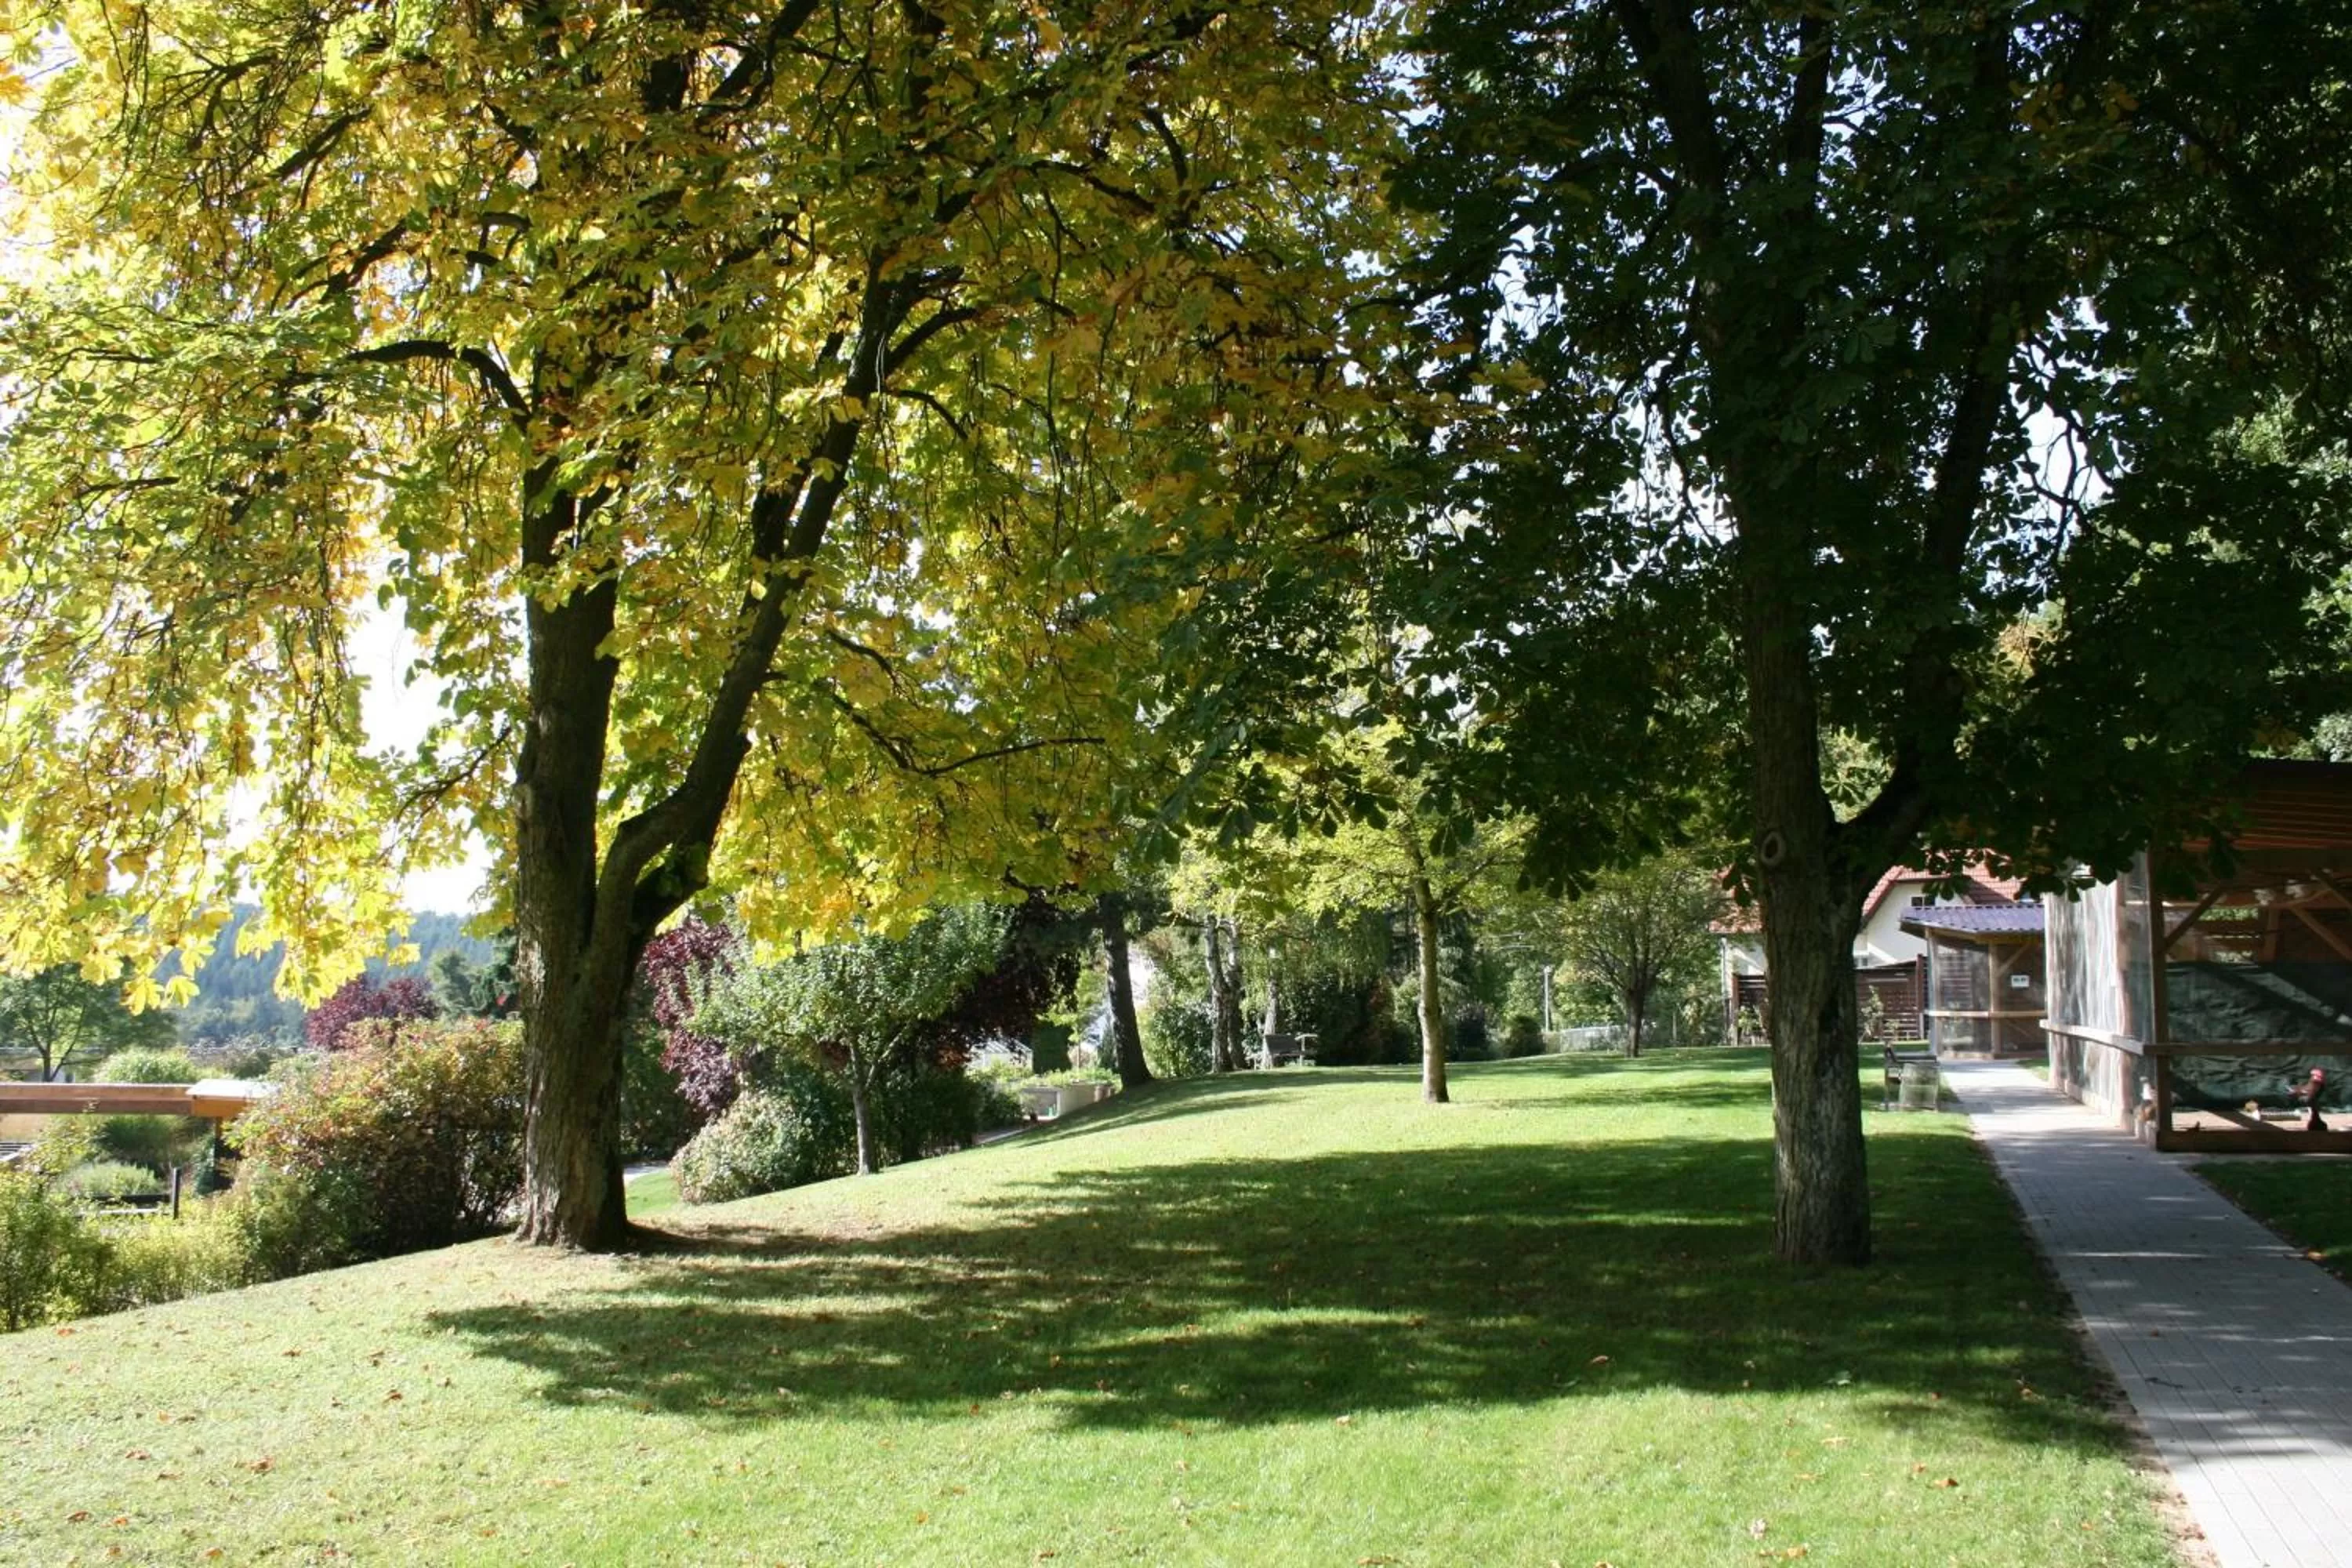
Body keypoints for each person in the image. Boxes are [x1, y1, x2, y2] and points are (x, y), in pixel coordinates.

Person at [2288, 1067, 2328, 1133]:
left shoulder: (2314, 1094)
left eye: (2317, 1084)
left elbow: (2309, 1094)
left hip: (2310, 1101)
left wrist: (2300, 1093)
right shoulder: (2307, 1087)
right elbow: (2305, 1091)